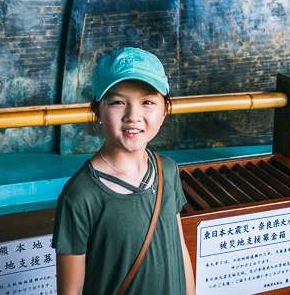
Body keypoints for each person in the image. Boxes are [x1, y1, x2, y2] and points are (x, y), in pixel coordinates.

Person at [52, 47, 196, 294]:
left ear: (164, 111)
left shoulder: (167, 170)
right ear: (97, 110)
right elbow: (71, 291)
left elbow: (179, 247)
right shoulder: (80, 195)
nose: (133, 115)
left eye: (147, 102)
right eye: (118, 102)